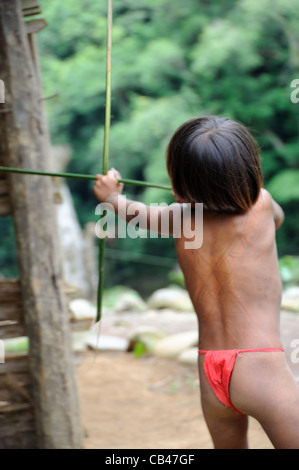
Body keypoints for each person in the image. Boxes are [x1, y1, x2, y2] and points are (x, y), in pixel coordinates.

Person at [93, 115, 299, 449]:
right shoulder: (261, 205)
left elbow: (133, 212)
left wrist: (112, 198)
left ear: (178, 181)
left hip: (210, 371)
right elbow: (280, 218)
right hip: (260, 368)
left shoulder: (177, 218)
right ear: (248, 171)